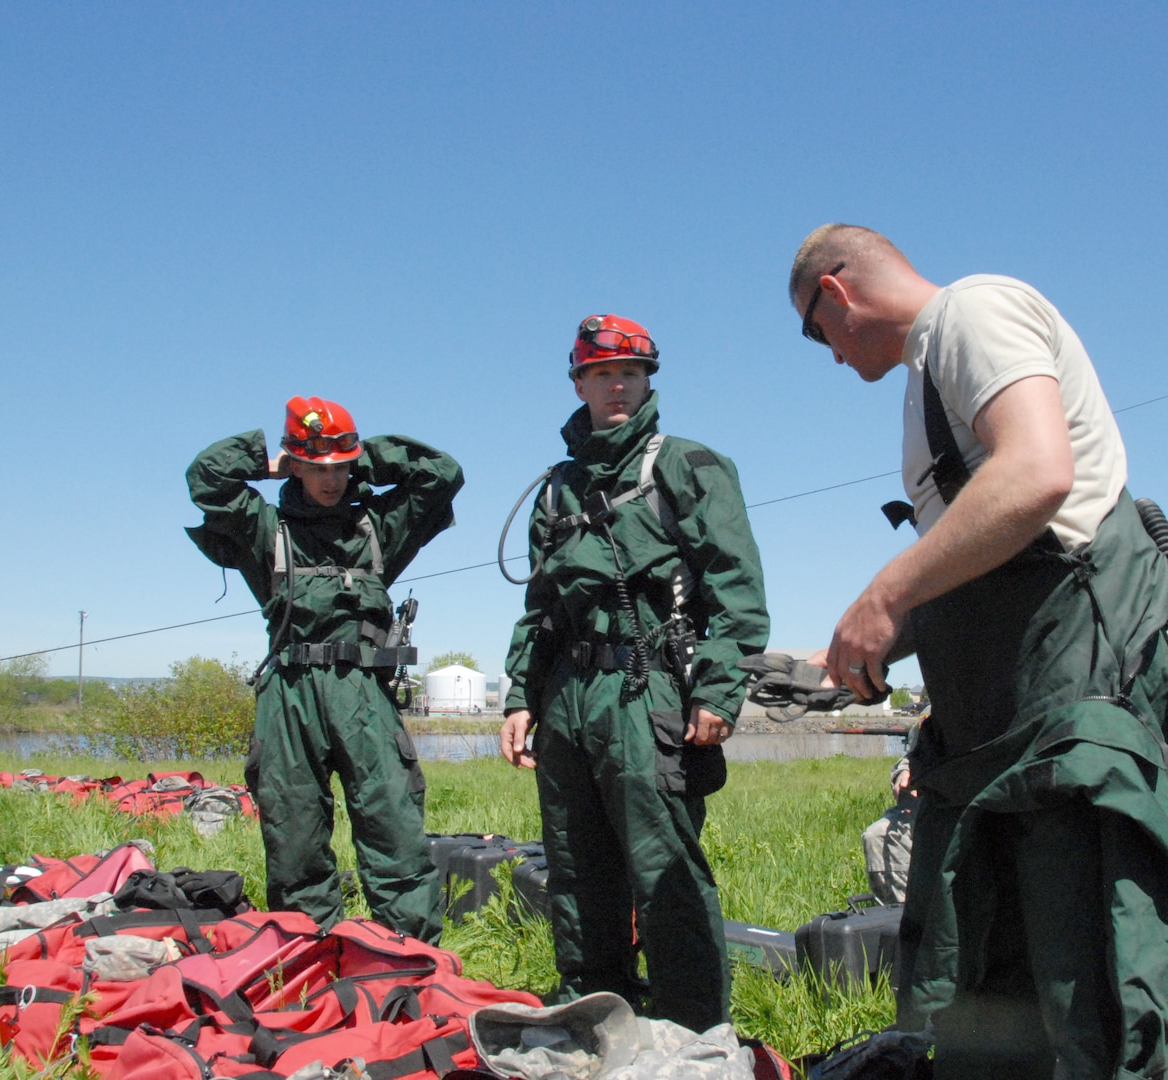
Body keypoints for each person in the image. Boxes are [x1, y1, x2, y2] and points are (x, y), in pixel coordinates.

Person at [789, 226, 1168, 1079]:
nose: (831, 359)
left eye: (817, 334)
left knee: (1087, 979)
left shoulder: (970, 312)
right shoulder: (926, 382)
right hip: (997, 743)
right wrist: (835, 654)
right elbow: (970, 563)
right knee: (990, 985)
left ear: (836, 295)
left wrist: (882, 595)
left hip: (1064, 719)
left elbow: (1034, 474)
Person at [499, 315, 769, 1033]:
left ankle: (692, 1038)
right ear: (578, 383)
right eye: (600, 373)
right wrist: (521, 696)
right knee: (576, 872)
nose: (615, 385)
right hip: (567, 697)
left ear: (648, 379)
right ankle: (594, 1027)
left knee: (664, 874)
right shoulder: (556, 488)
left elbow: (736, 588)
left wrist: (716, 688)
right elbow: (540, 603)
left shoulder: (686, 465)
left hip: (645, 689)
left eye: (629, 372)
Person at [186, 397, 463, 943]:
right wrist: (268, 459)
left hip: (364, 693)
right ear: (296, 465)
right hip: (288, 694)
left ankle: (408, 957)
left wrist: (364, 460)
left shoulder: (378, 527)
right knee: (293, 834)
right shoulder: (264, 528)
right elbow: (206, 479)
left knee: (393, 826)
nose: (330, 479)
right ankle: (306, 953)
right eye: (317, 466)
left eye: (341, 468)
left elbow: (442, 474)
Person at [861, 724, 920, 906]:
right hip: (922, 806)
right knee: (876, 835)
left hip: (974, 806)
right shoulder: (929, 716)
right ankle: (895, 912)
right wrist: (903, 773)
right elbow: (910, 756)